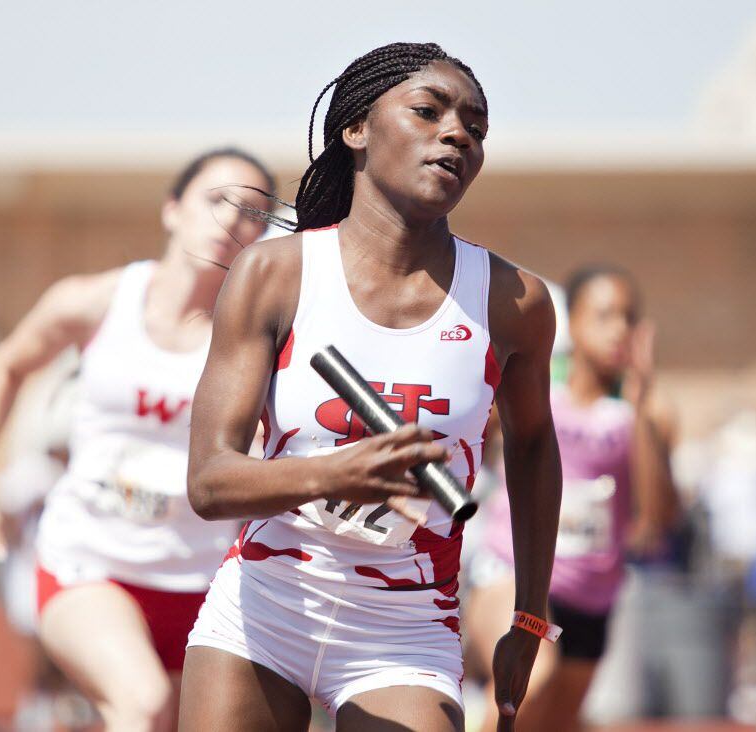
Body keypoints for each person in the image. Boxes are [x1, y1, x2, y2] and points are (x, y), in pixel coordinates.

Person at [180, 42, 562, 732]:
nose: (456, 134)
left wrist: (529, 617)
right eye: (428, 110)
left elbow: (535, 448)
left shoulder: (514, 301)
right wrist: (335, 472)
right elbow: (209, 482)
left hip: (406, 629)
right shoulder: (275, 274)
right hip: (265, 608)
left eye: (475, 128)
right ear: (356, 129)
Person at [0, 148, 275, 732]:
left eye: (252, 212)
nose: (231, 221)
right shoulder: (97, 300)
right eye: (215, 200)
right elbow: (6, 364)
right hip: (90, 563)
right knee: (144, 704)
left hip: (208, 583)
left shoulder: (256, 337)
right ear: (172, 210)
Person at [464, 265, 680, 731]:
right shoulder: (536, 393)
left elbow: (660, 516)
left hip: (593, 599)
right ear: (572, 323)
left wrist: (642, 402)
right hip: (515, 576)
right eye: (604, 316)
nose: (618, 330)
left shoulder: (641, 415)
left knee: (554, 723)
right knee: (530, 682)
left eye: (628, 317)